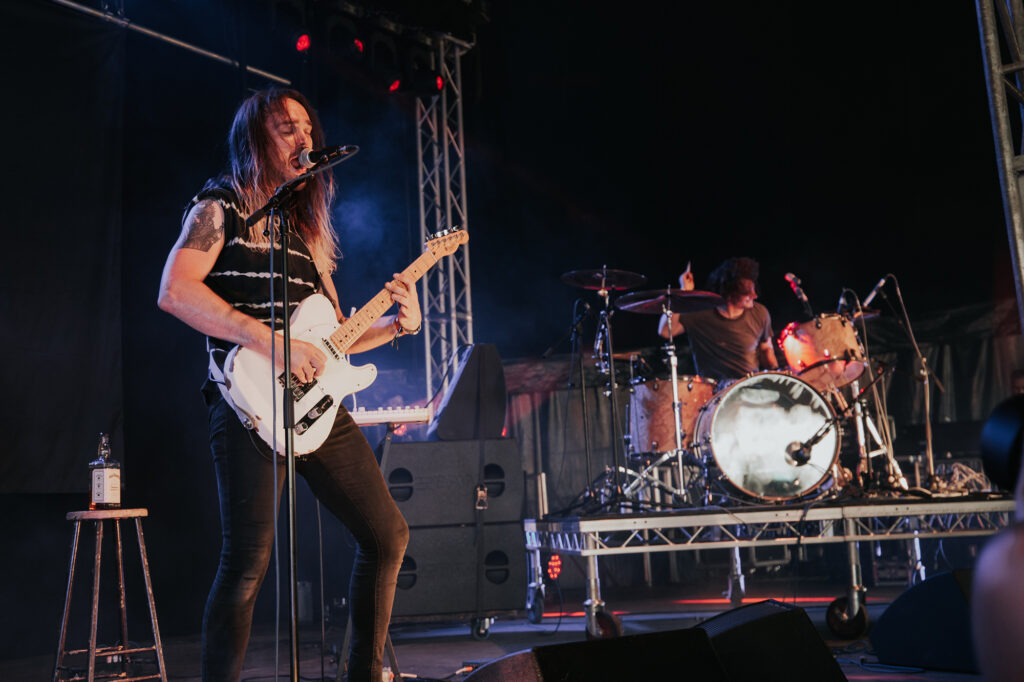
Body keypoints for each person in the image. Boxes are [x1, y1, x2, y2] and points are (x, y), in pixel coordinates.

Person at [157, 88, 415, 681]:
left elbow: (334, 340)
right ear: (254, 140)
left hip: (315, 405)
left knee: (387, 534)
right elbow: (175, 290)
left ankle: (365, 674)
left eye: (307, 128)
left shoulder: (307, 236)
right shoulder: (218, 207)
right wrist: (274, 342)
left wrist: (398, 325)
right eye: (285, 128)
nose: (303, 139)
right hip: (246, 400)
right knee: (248, 561)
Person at [657, 257, 778, 382]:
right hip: (714, 393)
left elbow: (766, 349)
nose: (754, 295)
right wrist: (683, 293)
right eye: (747, 292)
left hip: (750, 388)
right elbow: (665, 331)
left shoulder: (760, 313)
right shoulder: (700, 313)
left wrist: (777, 374)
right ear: (730, 293)